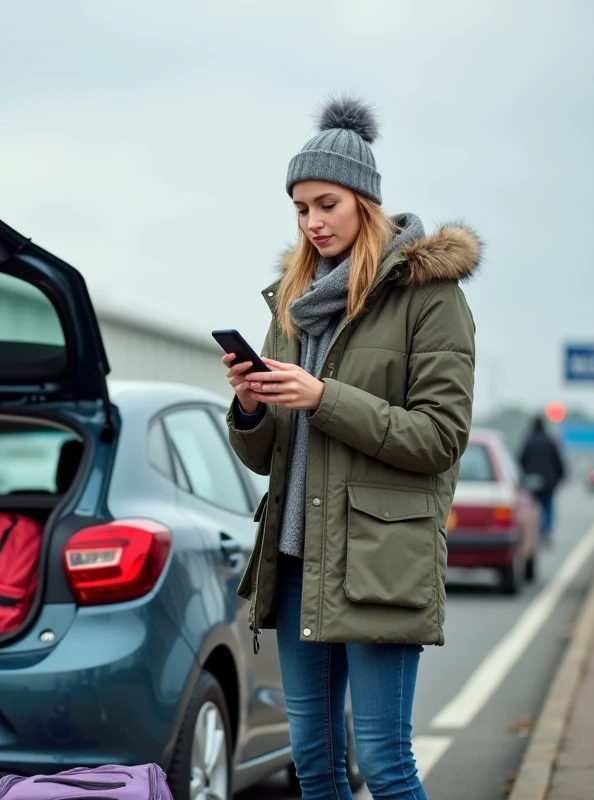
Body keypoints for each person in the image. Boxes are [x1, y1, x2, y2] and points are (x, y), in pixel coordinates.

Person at [224, 95, 478, 800]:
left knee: (387, 765)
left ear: (364, 200)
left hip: (379, 563)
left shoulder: (430, 296)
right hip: (298, 559)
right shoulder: (294, 301)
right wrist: (250, 405)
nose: (312, 222)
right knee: (313, 766)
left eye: (325, 203)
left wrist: (323, 398)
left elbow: (439, 437)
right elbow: (266, 454)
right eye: (300, 207)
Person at [519, 416, 565, 544]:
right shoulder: (550, 441)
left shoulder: (528, 440)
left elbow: (521, 459)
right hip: (549, 481)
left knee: (532, 507)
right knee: (548, 506)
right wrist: (560, 476)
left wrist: (526, 473)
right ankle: (546, 531)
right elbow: (558, 461)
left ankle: (535, 531)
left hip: (532, 481)